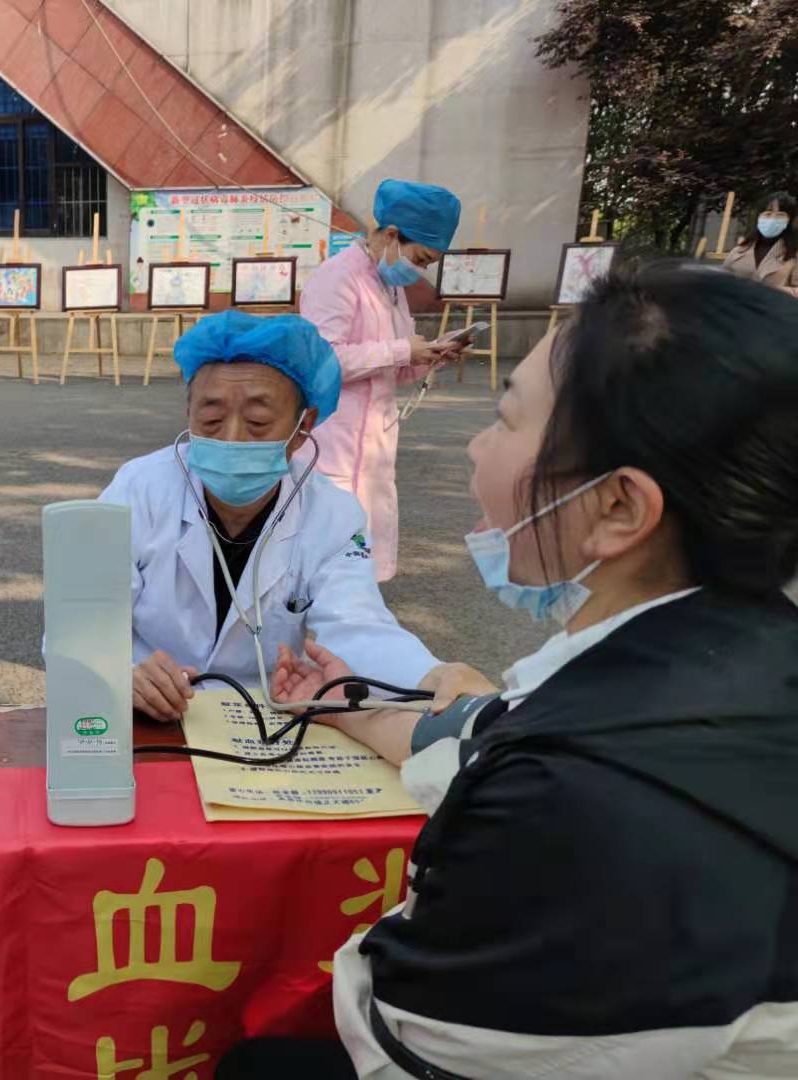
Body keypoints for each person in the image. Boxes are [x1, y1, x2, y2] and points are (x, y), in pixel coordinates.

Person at [218, 263, 798, 1078]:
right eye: (210, 413)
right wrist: (339, 703)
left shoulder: (568, 794)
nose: (474, 444)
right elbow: (482, 733)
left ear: (620, 507)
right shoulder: (716, 656)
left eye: (504, 419)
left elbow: (404, 1036)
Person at [98, 310, 489, 723]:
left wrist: (429, 674)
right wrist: (118, 670)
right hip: (144, 714)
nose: (231, 438)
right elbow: (85, 612)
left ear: (304, 426)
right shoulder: (139, 488)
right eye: (210, 420)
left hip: (264, 713)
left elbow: (357, 624)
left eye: (258, 422)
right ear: (188, 414)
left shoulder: (333, 515)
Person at [299, 179, 465, 582]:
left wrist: (430, 356)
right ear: (391, 235)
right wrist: (402, 350)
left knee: (357, 568)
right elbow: (322, 360)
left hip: (371, 448)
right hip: (333, 446)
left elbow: (392, 367)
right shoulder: (337, 278)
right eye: (420, 258)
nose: (420, 271)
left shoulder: (389, 286)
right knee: (322, 566)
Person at [721, 190, 798, 295]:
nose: (772, 219)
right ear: (759, 217)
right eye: (768, 213)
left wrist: (774, 292)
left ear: (789, 221)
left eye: (780, 215)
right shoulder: (738, 251)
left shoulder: (794, 254)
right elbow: (721, 284)